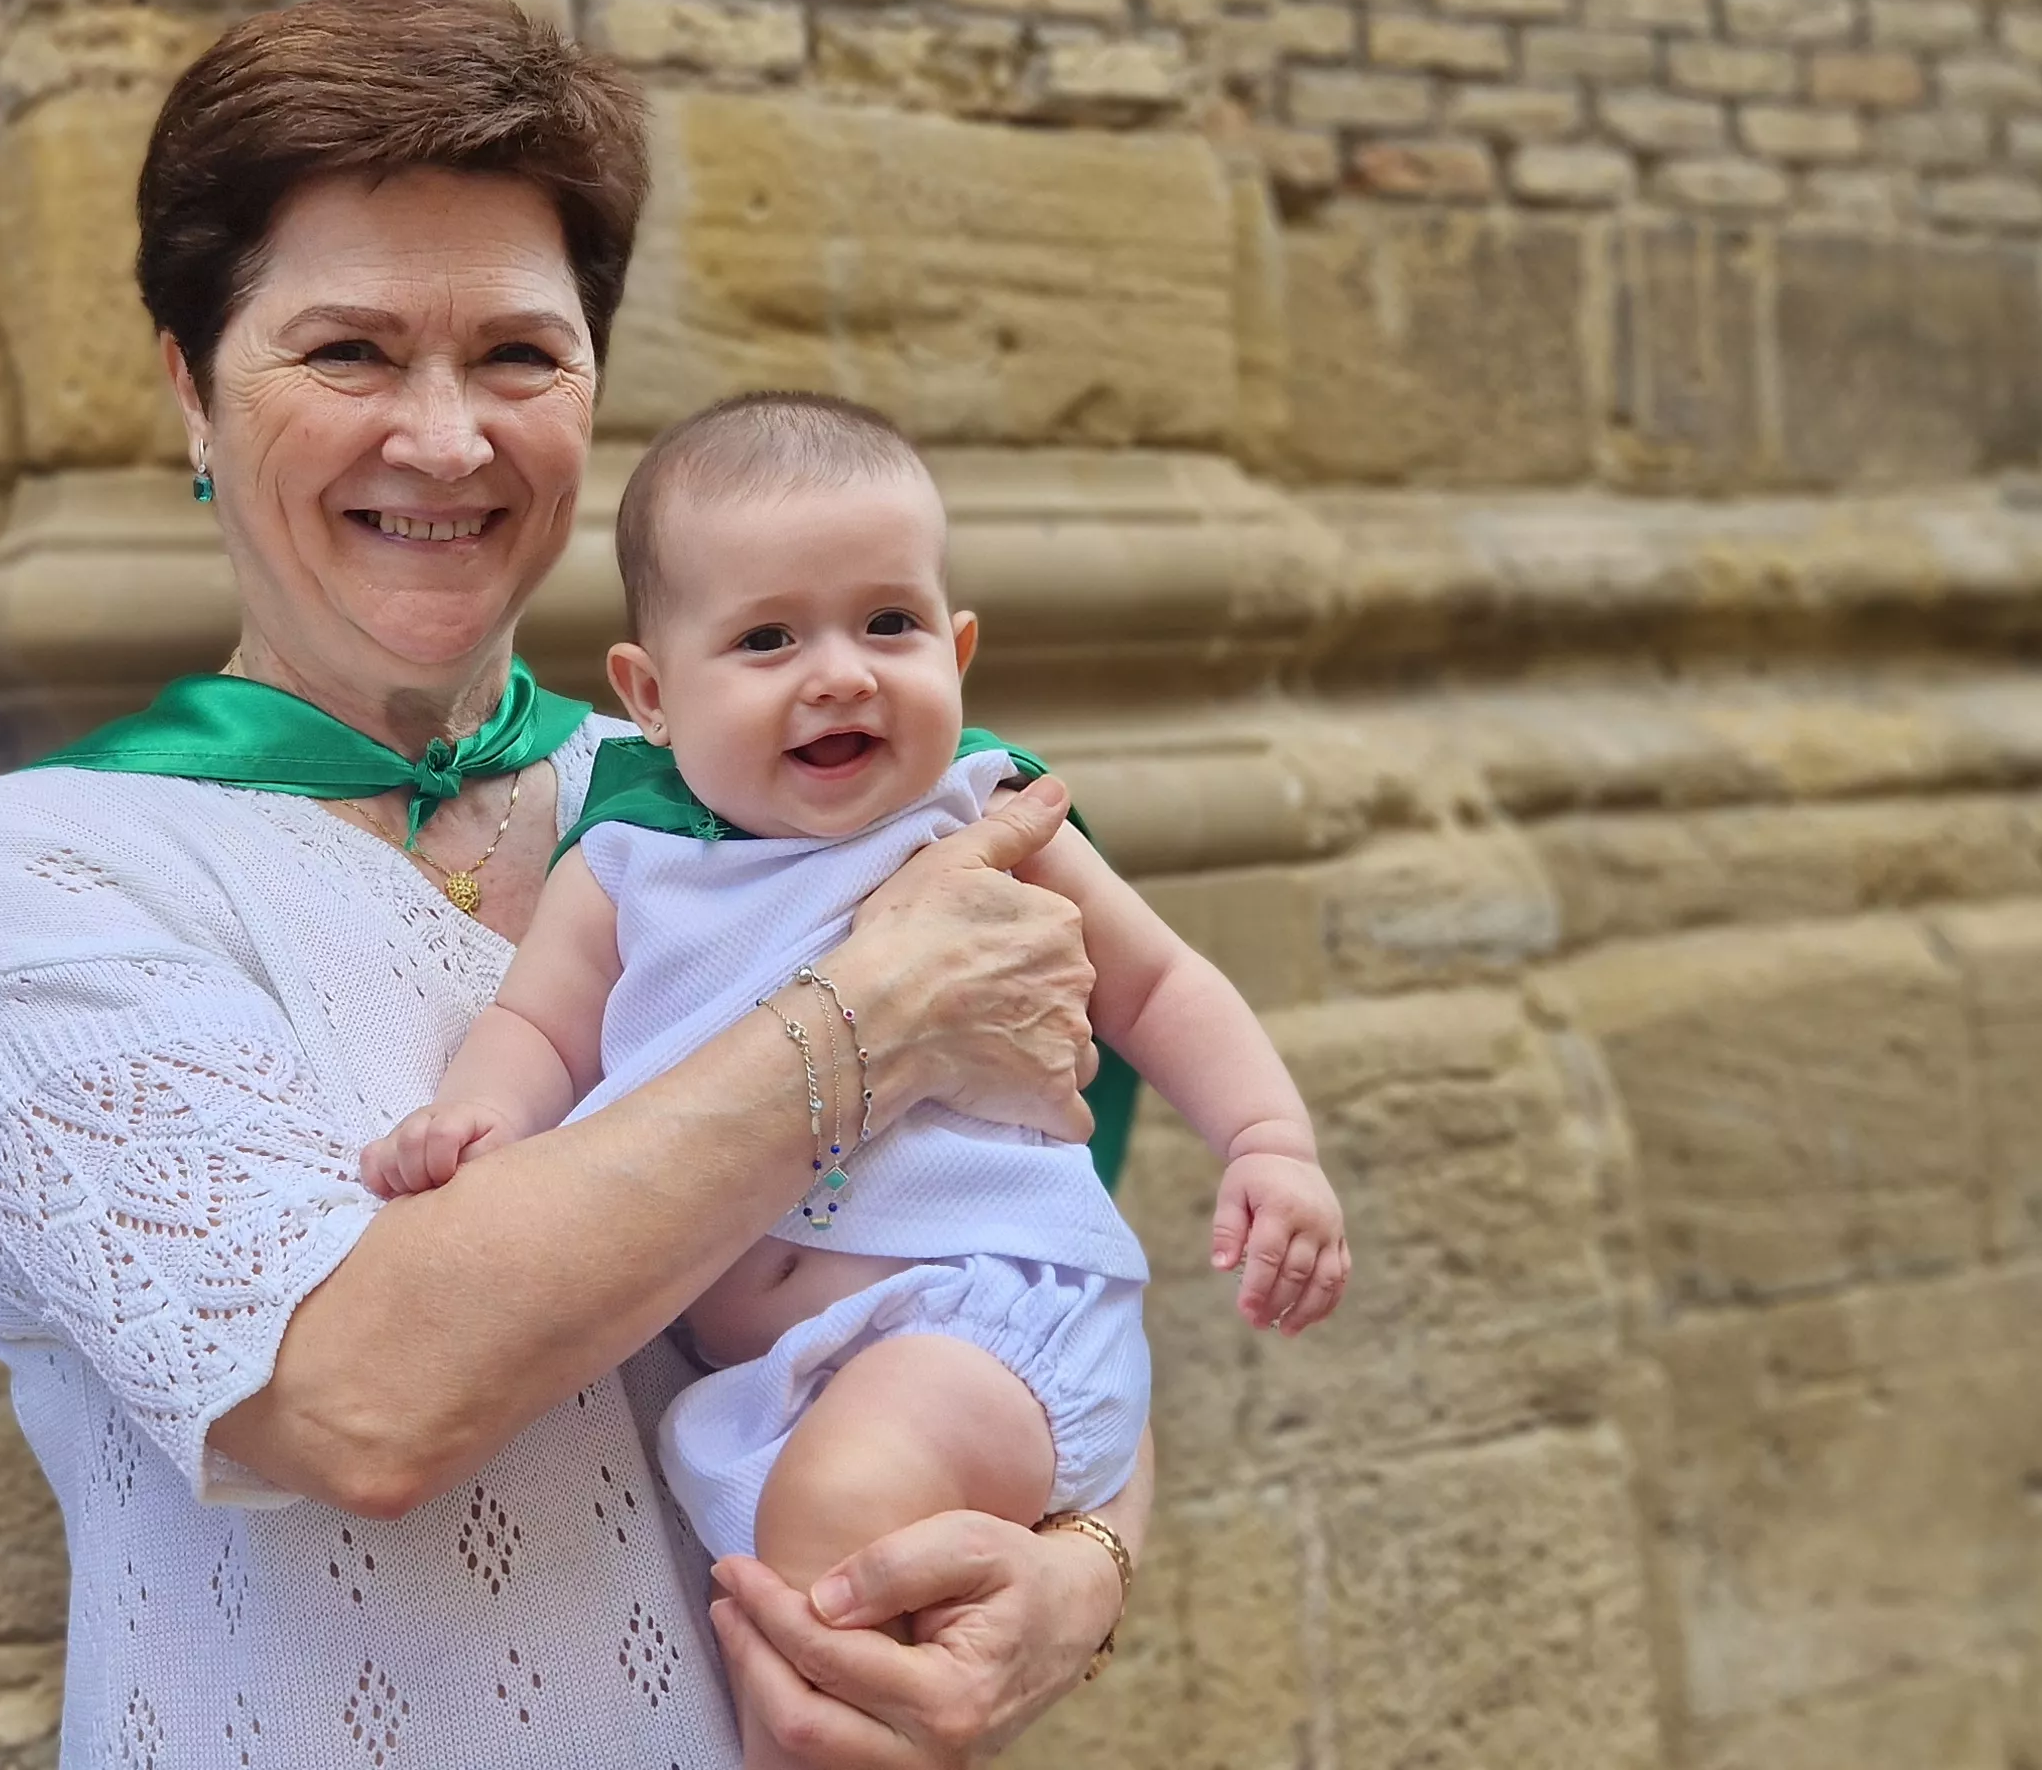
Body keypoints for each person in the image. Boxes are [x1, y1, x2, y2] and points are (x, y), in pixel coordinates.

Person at [0, 0, 1144, 1766]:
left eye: (516, 354)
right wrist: (876, 1009)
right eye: (345, 353)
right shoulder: (50, 867)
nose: (444, 440)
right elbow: (360, 1400)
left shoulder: (749, 799)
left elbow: (1041, 1257)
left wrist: (1088, 1567)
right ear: (190, 384)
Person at [363, 394, 1352, 1759]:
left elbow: (1160, 983)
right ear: (652, 695)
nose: (838, 674)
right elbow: (540, 1028)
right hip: (771, 1383)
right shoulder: (628, 857)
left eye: (887, 625)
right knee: (795, 1591)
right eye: (767, 638)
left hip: (976, 1318)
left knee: (826, 1569)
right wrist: (480, 1113)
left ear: (957, 648)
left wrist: (1268, 1141)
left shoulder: (984, 817)